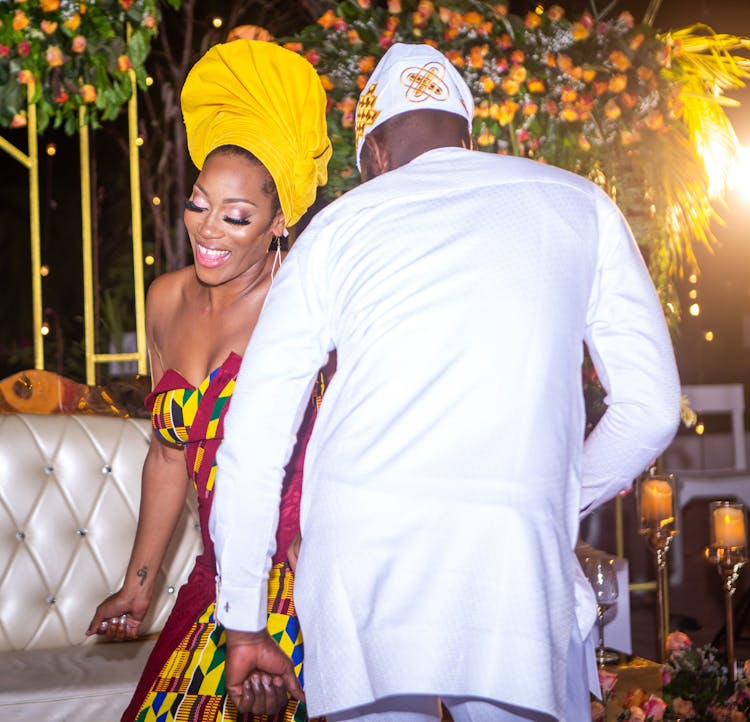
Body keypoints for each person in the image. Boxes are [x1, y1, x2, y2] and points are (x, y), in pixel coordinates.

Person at [210, 43, 681, 722]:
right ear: (467, 134)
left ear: (373, 156)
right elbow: (653, 409)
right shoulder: (581, 206)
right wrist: (550, 492)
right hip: (511, 554)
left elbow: (254, 439)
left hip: (361, 559)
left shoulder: (336, 228)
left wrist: (244, 621)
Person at [86, 38, 331, 722]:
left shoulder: (304, 313)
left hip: (299, 590)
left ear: (278, 223)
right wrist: (138, 586)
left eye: (236, 216)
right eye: (199, 204)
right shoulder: (166, 299)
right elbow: (168, 453)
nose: (208, 229)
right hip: (217, 582)